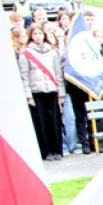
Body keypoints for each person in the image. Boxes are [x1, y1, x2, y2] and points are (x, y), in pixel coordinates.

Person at [20, 24, 66, 161]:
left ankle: (57, 149)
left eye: (40, 33)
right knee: (41, 123)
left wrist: (61, 93)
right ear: (31, 36)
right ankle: (46, 152)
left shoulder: (52, 52)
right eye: (35, 34)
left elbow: (58, 74)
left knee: (54, 122)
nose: (38, 36)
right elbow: (24, 76)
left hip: (51, 91)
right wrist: (28, 96)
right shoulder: (26, 54)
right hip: (37, 92)